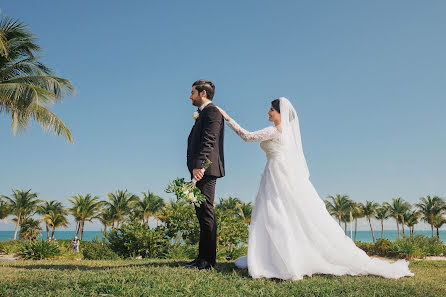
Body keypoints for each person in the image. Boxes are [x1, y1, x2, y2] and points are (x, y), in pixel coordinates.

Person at [215, 97, 414, 280]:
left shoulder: (274, 131)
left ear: (280, 113)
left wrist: (227, 118)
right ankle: (278, 256)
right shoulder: (288, 135)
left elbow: (247, 136)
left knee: (275, 212)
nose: (268, 113)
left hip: (276, 173)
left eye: (271, 110)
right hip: (282, 173)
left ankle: (279, 259)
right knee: (284, 213)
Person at [185, 80, 225, 270]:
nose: (190, 96)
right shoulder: (203, 114)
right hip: (200, 169)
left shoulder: (212, 112)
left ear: (202, 93)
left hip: (206, 169)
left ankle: (208, 261)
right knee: (201, 213)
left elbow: (209, 140)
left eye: (192, 92)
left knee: (206, 213)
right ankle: (201, 257)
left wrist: (199, 165)